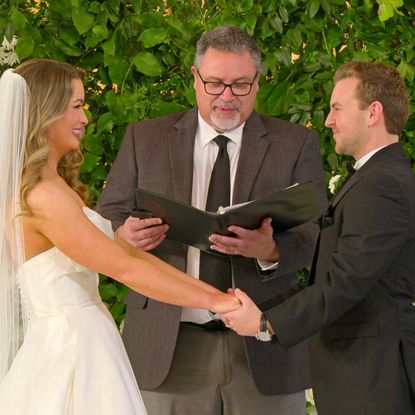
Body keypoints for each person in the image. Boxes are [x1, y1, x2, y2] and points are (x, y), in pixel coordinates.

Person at [99, 25, 327, 415]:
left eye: (239, 85)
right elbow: (109, 217)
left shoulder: (295, 143)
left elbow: (318, 234)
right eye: (215, 83)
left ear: (257, 83)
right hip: (167, 346)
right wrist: (124, 235)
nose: (226, 97)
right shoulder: (145, 138)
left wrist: (271, 249)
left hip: (263, 342)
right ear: (195, 78)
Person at [0, 59, 240, 415]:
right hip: (72, 352)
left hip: (86, 340)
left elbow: (133, 258)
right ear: (46, 112)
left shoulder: (52, 188)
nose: (84, 119)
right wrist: (218, 303)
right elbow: (125, 269)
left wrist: (219, 297)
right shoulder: (43, 196)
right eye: (77, 107)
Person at [222, 60, 415, 415]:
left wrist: (266, 324)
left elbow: (344, 283)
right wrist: (263, 308)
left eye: (337, 108)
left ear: (373, 113)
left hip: (371, 379)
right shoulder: (375, 178)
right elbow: (329, 277)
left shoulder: (382, 185)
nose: (328, 121)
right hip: (358, 374)